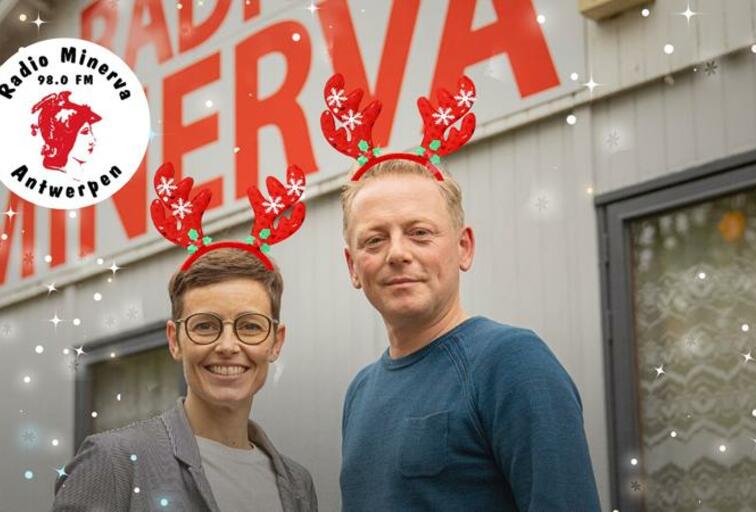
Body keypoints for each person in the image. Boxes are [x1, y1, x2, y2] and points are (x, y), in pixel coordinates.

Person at [337, 158, 602, 511]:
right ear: (353, 267)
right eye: (374, 240)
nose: (397, 253)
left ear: (464, 247)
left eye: (420, 233)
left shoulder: (513, 363)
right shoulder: (359, 393)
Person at [52, 162, 317, 511]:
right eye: (205, 326)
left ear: (276, 342)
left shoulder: (297, 484)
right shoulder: (114, 463)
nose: (227, 346)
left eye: (250, 326)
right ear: (175, 340)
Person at [31, 91, 100, 180]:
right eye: (85, 132)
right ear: (62, 139)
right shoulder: (53, 178)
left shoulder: (79, 176)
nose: (93, 141)